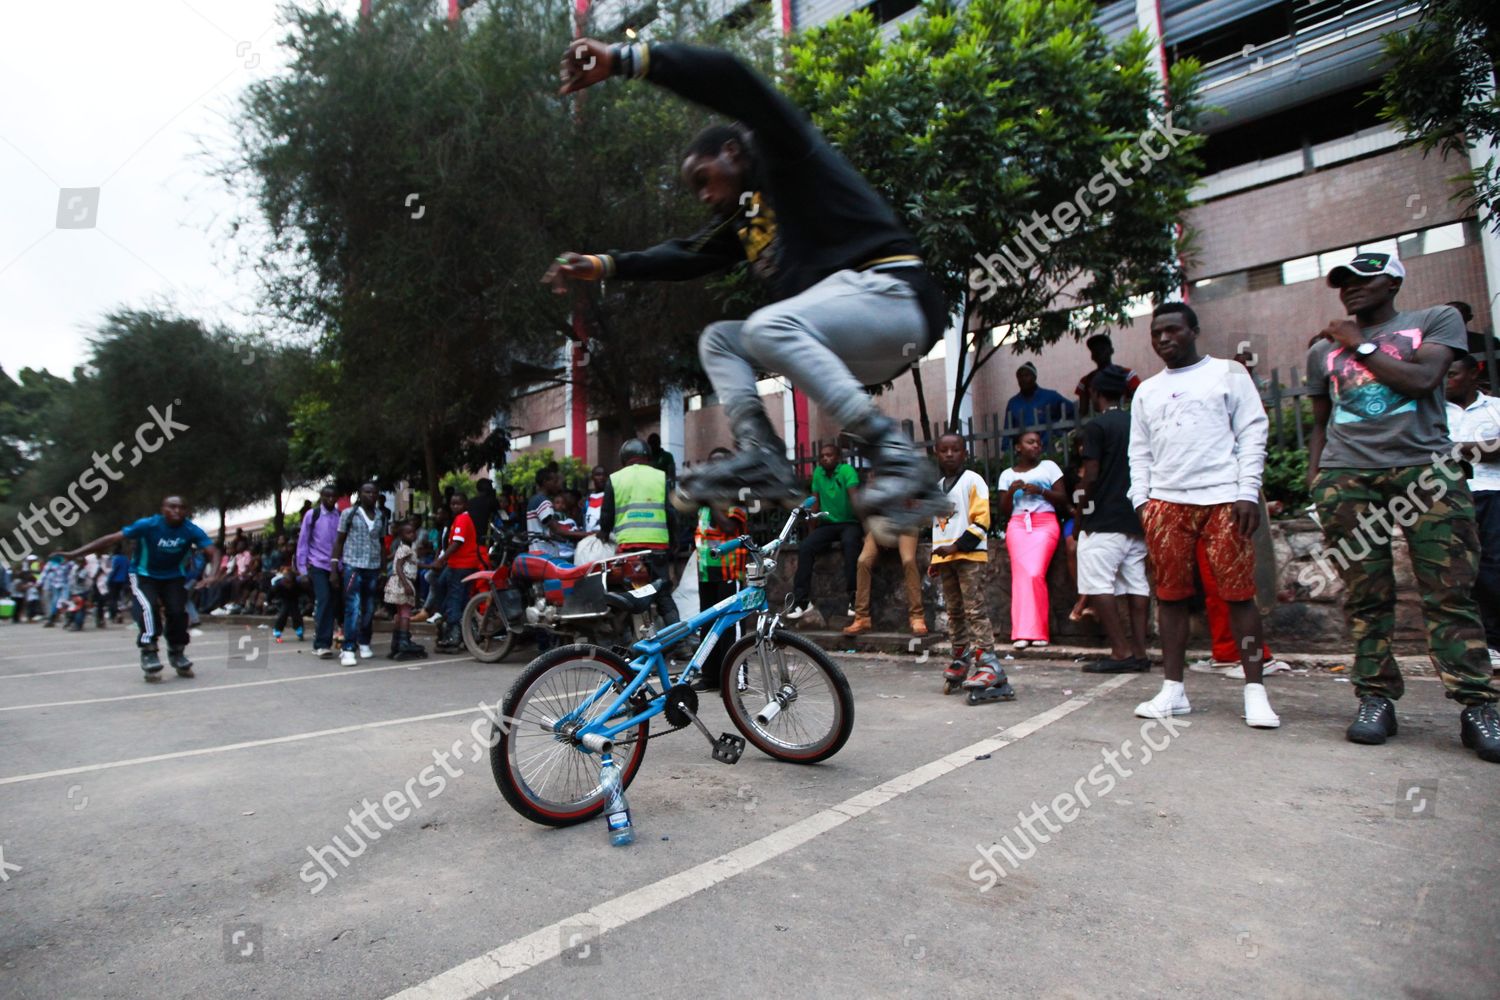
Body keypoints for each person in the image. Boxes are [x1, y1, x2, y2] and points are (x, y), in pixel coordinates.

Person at [545, 40, 949, 535]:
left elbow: (732, 75)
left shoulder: (786, 154)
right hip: (855, 340)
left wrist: (625, 60)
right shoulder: (747, 218)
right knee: (721, 339)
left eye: (704, 178)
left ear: (733, 152)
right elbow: (684, 254)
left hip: (895, 296)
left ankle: (897, 457)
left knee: (767, 327)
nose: (704, 195)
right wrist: (604, 265)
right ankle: (763, 457)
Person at [1306, 254, 1498, 760]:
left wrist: (1359, 344)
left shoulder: (1434, 320)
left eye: (1362, 280)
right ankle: (1375, 698)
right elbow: (1321, 421)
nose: (1350, 290)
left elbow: (1421, 381)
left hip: (1425, 470)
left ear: (1393, 281)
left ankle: (1476, 705)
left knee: (1450, 592)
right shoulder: (1321, 352)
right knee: (1366, 597)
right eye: (1342, 283)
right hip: (1347, 477)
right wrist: (1317, 476)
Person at [1129, 302, 1279, 729]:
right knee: (1171, 596)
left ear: (1193, 331)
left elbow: (1253, 430)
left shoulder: (1228, 372)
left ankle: (1255, 692)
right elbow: (1139, 451)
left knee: (1238, 593)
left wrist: (1247, 490)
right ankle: (1173, 691)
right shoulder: (1147, 390)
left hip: (1224, 500)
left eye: (1173, 330)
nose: (1163, 340)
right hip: (1165, 502)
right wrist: (1143, 501)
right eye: (1157, 333)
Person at [60, 495, 220, 680]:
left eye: (181, 508)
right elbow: (111, 539)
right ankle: (149, 651)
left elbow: (213, 551)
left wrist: (214, 575)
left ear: (186, 511)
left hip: (173, 576)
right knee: (148, 607)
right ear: (163, 509)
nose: (177, 511)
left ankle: (177, 651)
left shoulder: (190, 529)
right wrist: (75, 553)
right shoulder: (148, 525)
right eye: (172, 507)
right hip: (144, 575)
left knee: (177, 612)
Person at [1075, 366, 1152, 673]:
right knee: (1136, 584)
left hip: (1104, 518)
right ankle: (1140, 652)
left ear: (1095, 394)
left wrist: (1082, 513)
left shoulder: (1096, 427)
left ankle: (1120, 652)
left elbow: (1090, 475)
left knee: (1097, 583)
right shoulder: (1137, 423)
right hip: (1135, 517)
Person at [931, 433, 1013, 697]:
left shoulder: (972, 481)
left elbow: (982, 521)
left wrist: (957, 546)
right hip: (946, 560)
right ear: (937, 453)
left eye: (955, 450)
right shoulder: (937, 487)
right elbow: (938, 527)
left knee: (974, 609)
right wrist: (936, 558)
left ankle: (988, 661)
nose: (950, 454)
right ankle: (960, 655)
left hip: (968, 557)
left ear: (964, 453)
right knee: (954, 611)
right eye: (944, 450)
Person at [1445, 352, 1500, 671]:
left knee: (1493, 567)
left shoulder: (1495, 408)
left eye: (1452, 374)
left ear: (1472, 374)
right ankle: (1468, 644)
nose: (1445, 380)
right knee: (1458, 571)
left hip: (1493, 493)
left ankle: (1494, 642)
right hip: (1451, 494)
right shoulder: (1433, 412)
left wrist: (1454, 447)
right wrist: (1481, 447)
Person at [598, 438, 680, 626]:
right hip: (658, 548)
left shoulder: (615, 479)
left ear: (623, 458)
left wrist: (603, 532)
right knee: (663, 594)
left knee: (626, 596)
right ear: (648, 456)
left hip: (629, 550)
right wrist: (675, 541)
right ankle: (680, 643)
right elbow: (672, 513)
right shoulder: (660, 477)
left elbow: (606, 515)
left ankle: (626, 645)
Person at [997, 430, 1065, 649]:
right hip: (1018, 525)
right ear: (1018, 447)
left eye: (1038, 442)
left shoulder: (1049, 468)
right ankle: (1022, 633)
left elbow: (1063, 498)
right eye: (1030, 442)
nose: (1036, 445)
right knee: (1021, 576)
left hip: (1044, 524)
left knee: (1035, 572)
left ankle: (1038, 631)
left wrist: (1041, 491)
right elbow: (1004, 510)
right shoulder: (1007, 474)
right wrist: (1011, 492)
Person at [845, 468, 927, 637]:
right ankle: (862, 618)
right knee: (863, 560)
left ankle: (917, 617)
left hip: (905, 525)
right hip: (880, 525)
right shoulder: (875, 475)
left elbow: (918, 505)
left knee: (908, 560)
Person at [692, 447, 749, 690]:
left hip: (729, 570)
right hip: (707, 570)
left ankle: (737, 679)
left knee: (730, 624)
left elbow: (729, 527)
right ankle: (711, 676)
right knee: (709, 623)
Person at [787, 443, 863, 621]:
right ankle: (802, 601)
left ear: (837, 457)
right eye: (822, 456)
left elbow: (855, 500)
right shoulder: (818, 474)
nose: (825, 458)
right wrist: (812, 533)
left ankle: (854, 597)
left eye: (829, 455)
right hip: (828, 524)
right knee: (806, 547)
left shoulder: (847, 471)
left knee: (850, 544)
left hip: (850, 522)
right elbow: (815, 503)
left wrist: (865, 529)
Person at [330, 482, 389, 667]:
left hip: (372, 567)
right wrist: (334, 567)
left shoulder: (381, 516)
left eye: (374, 492)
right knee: (353, 607)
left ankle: (364, 642)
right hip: (352, 565)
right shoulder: (349, 513)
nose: (370, 495)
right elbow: (339, 541)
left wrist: (384, 570)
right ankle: (348, 648)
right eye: (367, 492)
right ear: (360, 494)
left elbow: (381, 544)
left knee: (369, 608)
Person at [430, 492, 482, 653]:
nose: (454, 507)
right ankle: (471, 634)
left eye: (458, 504)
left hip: (460, 565)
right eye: (452, 504)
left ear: (465, 505)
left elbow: (457, 542)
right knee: (462, 599)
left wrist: (441, 559)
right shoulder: (462, 519)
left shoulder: (461, 519)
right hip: (461, 565)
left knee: (455, 599)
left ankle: (454, 636)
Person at [296, 486, 343, 659]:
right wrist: (302, 569)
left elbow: (342, 542)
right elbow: (303, 542)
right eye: (327, 496)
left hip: (336, 566)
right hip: (317, 564)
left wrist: (341, 566)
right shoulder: (312, 515)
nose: (331, 499)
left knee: (333, 603)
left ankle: (329, 639)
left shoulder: (339, 516)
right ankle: (321, 644)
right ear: (321, 497)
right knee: (323, 599)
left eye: (333, 496)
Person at [383, 519, 427, 660]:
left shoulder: (404, 548)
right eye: (408, 533)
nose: (412, 535)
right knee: (406, 614)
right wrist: (406, 584)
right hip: (402, 583)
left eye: (413, 532)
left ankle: (397, 641)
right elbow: (398, 567)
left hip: (399, 583)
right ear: (401, 535)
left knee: (400, 613)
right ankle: (403, 641)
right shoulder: (406, 549)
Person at [1004, 362, 1076, 444]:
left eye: (1027, 375)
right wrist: (1008, 452)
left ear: (1035, 377)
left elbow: (1074, 412)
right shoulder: (1013, 403)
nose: (1023, 379)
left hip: (1048, 449)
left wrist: (1058, 432)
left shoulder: (1050, 396)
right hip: (1024, 453)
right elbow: (1008, 431)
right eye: (1020, 376)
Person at [526, 467, 590, 558]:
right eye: (555, 481)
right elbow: (557, 530)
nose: (558, 485)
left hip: (536, 552)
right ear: (545, 482)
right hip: (545, 554)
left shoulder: (533, 500)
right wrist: (588, 534)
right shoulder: (544, 502)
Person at [1074, 334, 1141, 416]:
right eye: (1095, 351)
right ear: (1092, 356)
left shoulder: (1128, 375)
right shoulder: (1085, 381)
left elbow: (1139, 401)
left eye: (1102, 349)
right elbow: (1082, 412)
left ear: (1111, 350)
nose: (1099, 353)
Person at [1448, 300, 1499, 387]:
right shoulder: (1435, 345)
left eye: (1457, 315)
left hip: (1485, 391)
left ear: (1469, 317)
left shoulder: (1487, 341)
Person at [585, 465, 609, 534]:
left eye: (604, 475)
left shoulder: (612, 496)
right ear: (592, 477)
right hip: (589, 539)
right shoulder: (587, 499)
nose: (601, 477)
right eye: (598, 475)